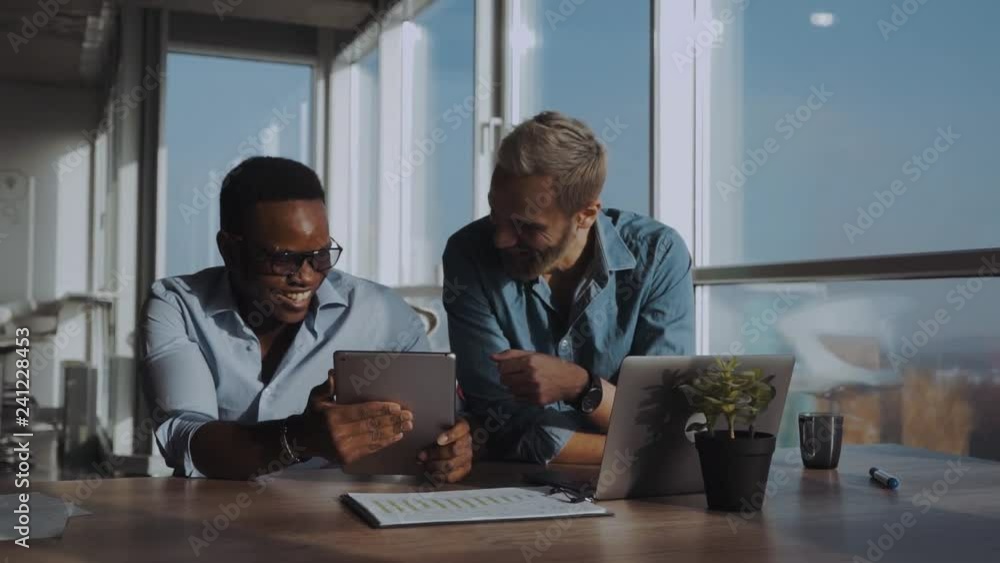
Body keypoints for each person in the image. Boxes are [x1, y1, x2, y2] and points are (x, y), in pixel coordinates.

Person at [142, 156, 472, 481]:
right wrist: (300, 438)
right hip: (215, 521)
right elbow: (185, 438)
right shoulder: (179, 306)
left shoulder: (383, 315)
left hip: (343, 522)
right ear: (229, 249)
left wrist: (451, 450)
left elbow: (438, 431)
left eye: (320, 255)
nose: (306, 276)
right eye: (284, 259)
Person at [443, 111, 694, 465]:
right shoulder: (468, 255)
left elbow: (662, 417)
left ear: (586, 215)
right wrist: (645, 453)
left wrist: (581, 387)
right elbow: (500, 423)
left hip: (640, 500)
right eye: (495, 214)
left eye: (525, 226)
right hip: (512, 490)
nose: (500, 240)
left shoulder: (659, 256)